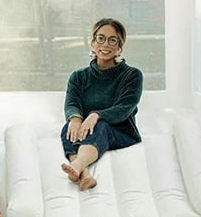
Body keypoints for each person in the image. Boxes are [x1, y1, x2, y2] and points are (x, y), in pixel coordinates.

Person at [61, 18, 143, 190]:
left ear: (119, 46)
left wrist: (96, 115)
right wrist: (75, 118)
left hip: (121, 131)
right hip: (87, 128)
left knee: (100, 126)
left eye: (113, 40)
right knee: (67, 128)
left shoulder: (132, 75)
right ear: (93, 42)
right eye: (101, 38)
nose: (106, 44)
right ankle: (85, 175)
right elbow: (72, 102)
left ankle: (77, 166)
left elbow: (124, 108)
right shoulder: (78, 76)